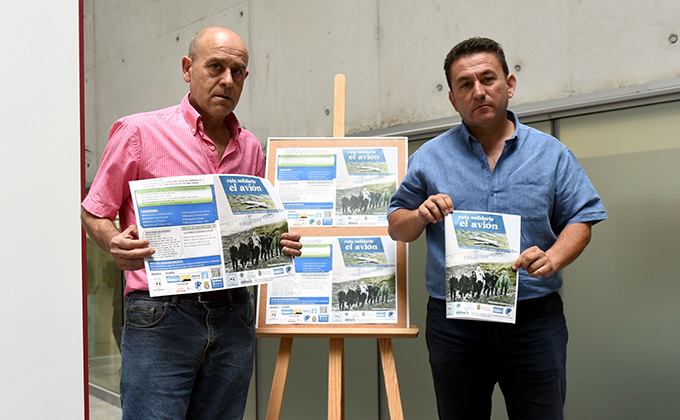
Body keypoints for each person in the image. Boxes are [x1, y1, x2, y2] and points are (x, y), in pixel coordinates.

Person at [81, 26, 302, 420]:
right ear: (188, 68)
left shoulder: (251, 147)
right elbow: (94, 209)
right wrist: (113, 241)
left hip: (234, 313)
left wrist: (276, 244)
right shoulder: (138, 132)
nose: (227, 80)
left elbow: (249, 228)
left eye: (238, 71)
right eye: (215, 66)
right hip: (161, 315)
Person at [387, 37, 607, 420]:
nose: (478, 91)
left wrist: (553, 257)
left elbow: (582, 216)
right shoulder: (429, 158)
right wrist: (420, 215)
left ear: (509, 84)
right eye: (465, 85)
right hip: (455, 323)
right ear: (453, 99)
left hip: (534, 320)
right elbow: (396, 227)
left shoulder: (551, 154)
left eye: (488, 79)